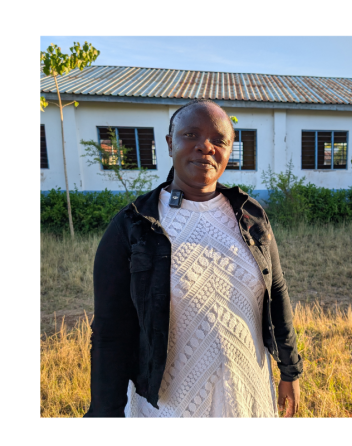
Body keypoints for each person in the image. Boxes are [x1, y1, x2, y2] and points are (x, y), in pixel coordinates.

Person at [88, 99, 302, 417]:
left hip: (245, 390)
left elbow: (277, 293)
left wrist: (290, 371)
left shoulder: (250, 215)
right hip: (169, 405)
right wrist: (105, 416)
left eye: (219, 140)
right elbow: (110, 331)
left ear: (230, 150)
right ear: (170, 142)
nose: (205, 147)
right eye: (190, 135)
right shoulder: (133, 225)